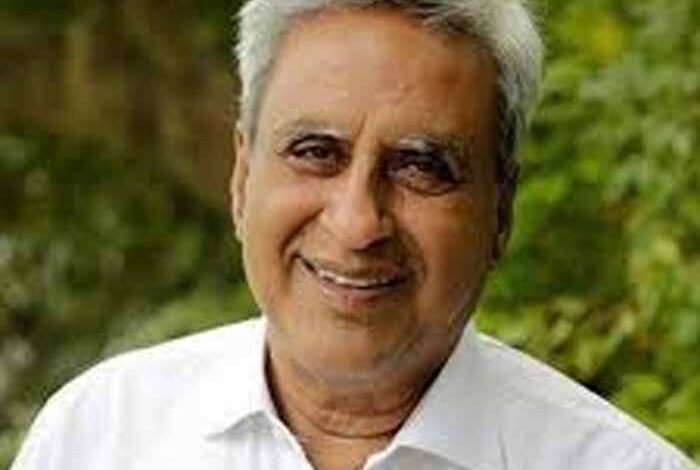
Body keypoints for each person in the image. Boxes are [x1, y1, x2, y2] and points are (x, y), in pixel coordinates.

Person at [10, 1, 698, 469]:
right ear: (242, 177)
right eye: (316, 152)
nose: (358, 222)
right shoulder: (101, 437)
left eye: (421, 167)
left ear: (500, 212)